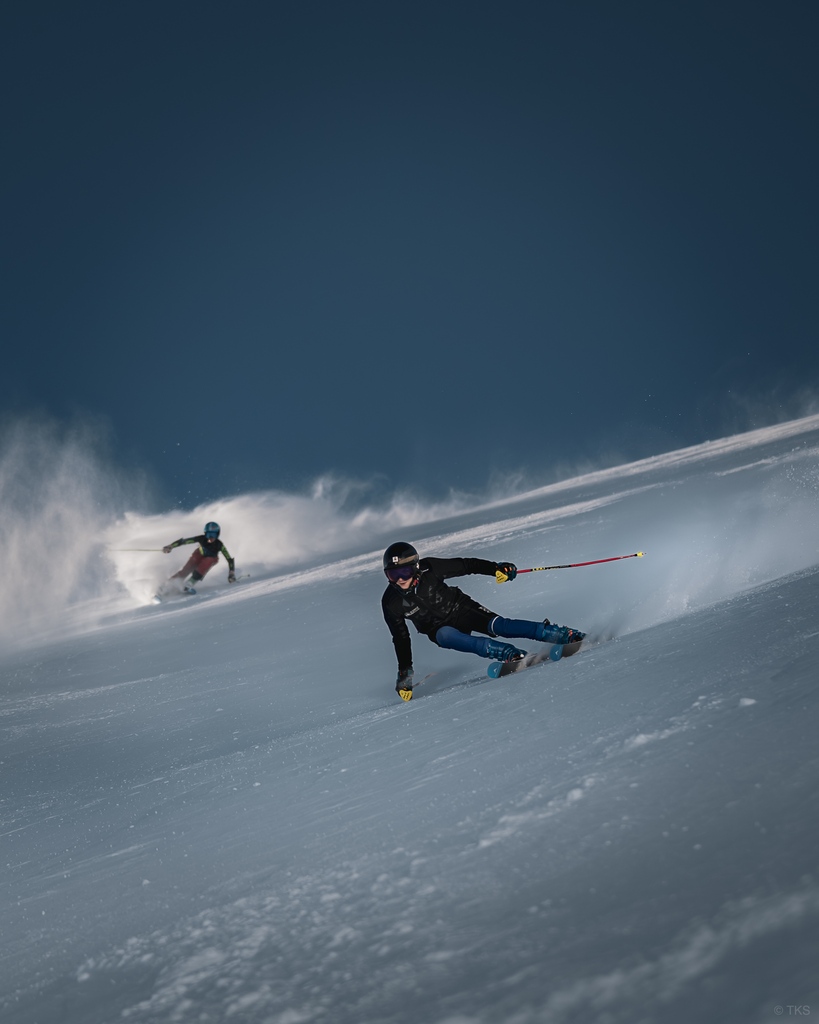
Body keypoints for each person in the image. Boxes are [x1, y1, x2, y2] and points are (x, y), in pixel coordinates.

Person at [381, 541, 585, 700]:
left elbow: (466, 565)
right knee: (446, 635)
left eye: (404, 571)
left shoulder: (430, 568)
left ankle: (561, 634)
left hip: (461, 608)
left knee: (500, 626)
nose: (400, 579)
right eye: (392, 574)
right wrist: (404, 675)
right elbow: (400, 638)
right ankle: (510, 654)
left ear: (415, 567)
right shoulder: (391, 602)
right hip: (437, 628)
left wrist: (496, 568)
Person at [161, 521, 236, 592]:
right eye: (208, 535)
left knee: (208, 561)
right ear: (205, 534)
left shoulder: (219, 545)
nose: (210, 538)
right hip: (199, 555)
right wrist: (170, 546)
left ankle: (190, 583)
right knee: (186, 570)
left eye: (213, 535)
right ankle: (167, 585)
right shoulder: (201, 539)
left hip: (212, 558)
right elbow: (184, 541)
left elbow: (229, 559)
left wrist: (231, 573)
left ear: (217, 535)